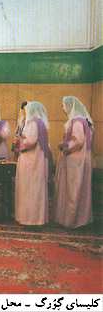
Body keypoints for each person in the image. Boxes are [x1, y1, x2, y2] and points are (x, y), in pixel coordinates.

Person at [54, 96, 93, 229]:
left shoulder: (77, 121)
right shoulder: (82, 121)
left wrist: (64, 146)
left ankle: (72, 220)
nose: (62, 108)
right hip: (79, 159)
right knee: (76, 189)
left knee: (73, 190)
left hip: (75, 161)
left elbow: (78, 140)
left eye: (63, 105)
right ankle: (77, 219)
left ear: (70, 106)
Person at [15, 101, 50, 226]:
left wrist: (18, 144)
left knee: (29, 190)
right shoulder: (41, 123)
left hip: (31, 161)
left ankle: (29, 219)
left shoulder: (32, 123)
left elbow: (30, 141)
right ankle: (37, 218)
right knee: (36, 189)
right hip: (37, 160)